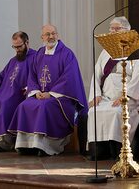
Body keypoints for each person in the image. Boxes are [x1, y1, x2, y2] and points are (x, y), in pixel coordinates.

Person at [8, 24, 88, 156]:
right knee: (24, 105)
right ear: (42, 37)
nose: (51, 37)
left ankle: (44, 146)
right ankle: (26, 145)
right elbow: (32, 76)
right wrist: (35, 92)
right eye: (48, 34)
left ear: (58, 35)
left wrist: (50, 93)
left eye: (53, 33)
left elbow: (69, 79)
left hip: (61, 98)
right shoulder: (39, 53)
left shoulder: (67, 54)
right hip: (40, 94)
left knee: (44, 107)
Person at [87, 16, 139, 160]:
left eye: (116, 28)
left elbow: (138, 77)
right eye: (111, 28)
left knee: (117, 112)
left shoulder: (135, 50)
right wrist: (96, 94)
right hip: (107, 97)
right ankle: (99, 151)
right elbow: (97, 74)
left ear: (127, 31)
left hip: (128, 97)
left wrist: (125, 97)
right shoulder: (105, 52)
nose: (112, 31)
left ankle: (117, 151)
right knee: (94, 111)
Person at [0, 32, 35, 152]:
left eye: (19, 46)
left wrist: (30, 87)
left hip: (19, 94)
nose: (17, 50)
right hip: (5, 91)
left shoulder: (36, 57)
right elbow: (2, 78)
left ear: (27, 43)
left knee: (4, 103)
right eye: (15, 47)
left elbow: (38, 77)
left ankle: (2, 142)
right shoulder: (13, 61)